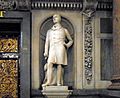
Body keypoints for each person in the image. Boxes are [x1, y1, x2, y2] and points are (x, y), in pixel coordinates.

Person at [42, 14, 73, 87]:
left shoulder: (64, 30)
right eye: (53, 17)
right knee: (49, 63)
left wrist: (67, 45)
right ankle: (48, 81)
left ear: (59, 19)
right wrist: (46, 52)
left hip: (61, 48)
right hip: (52, 49)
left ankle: (59, 82)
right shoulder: (49, 31)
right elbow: (47, 42)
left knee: (59, 65)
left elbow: (71, 40)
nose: (54, 18)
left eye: (56, 17)